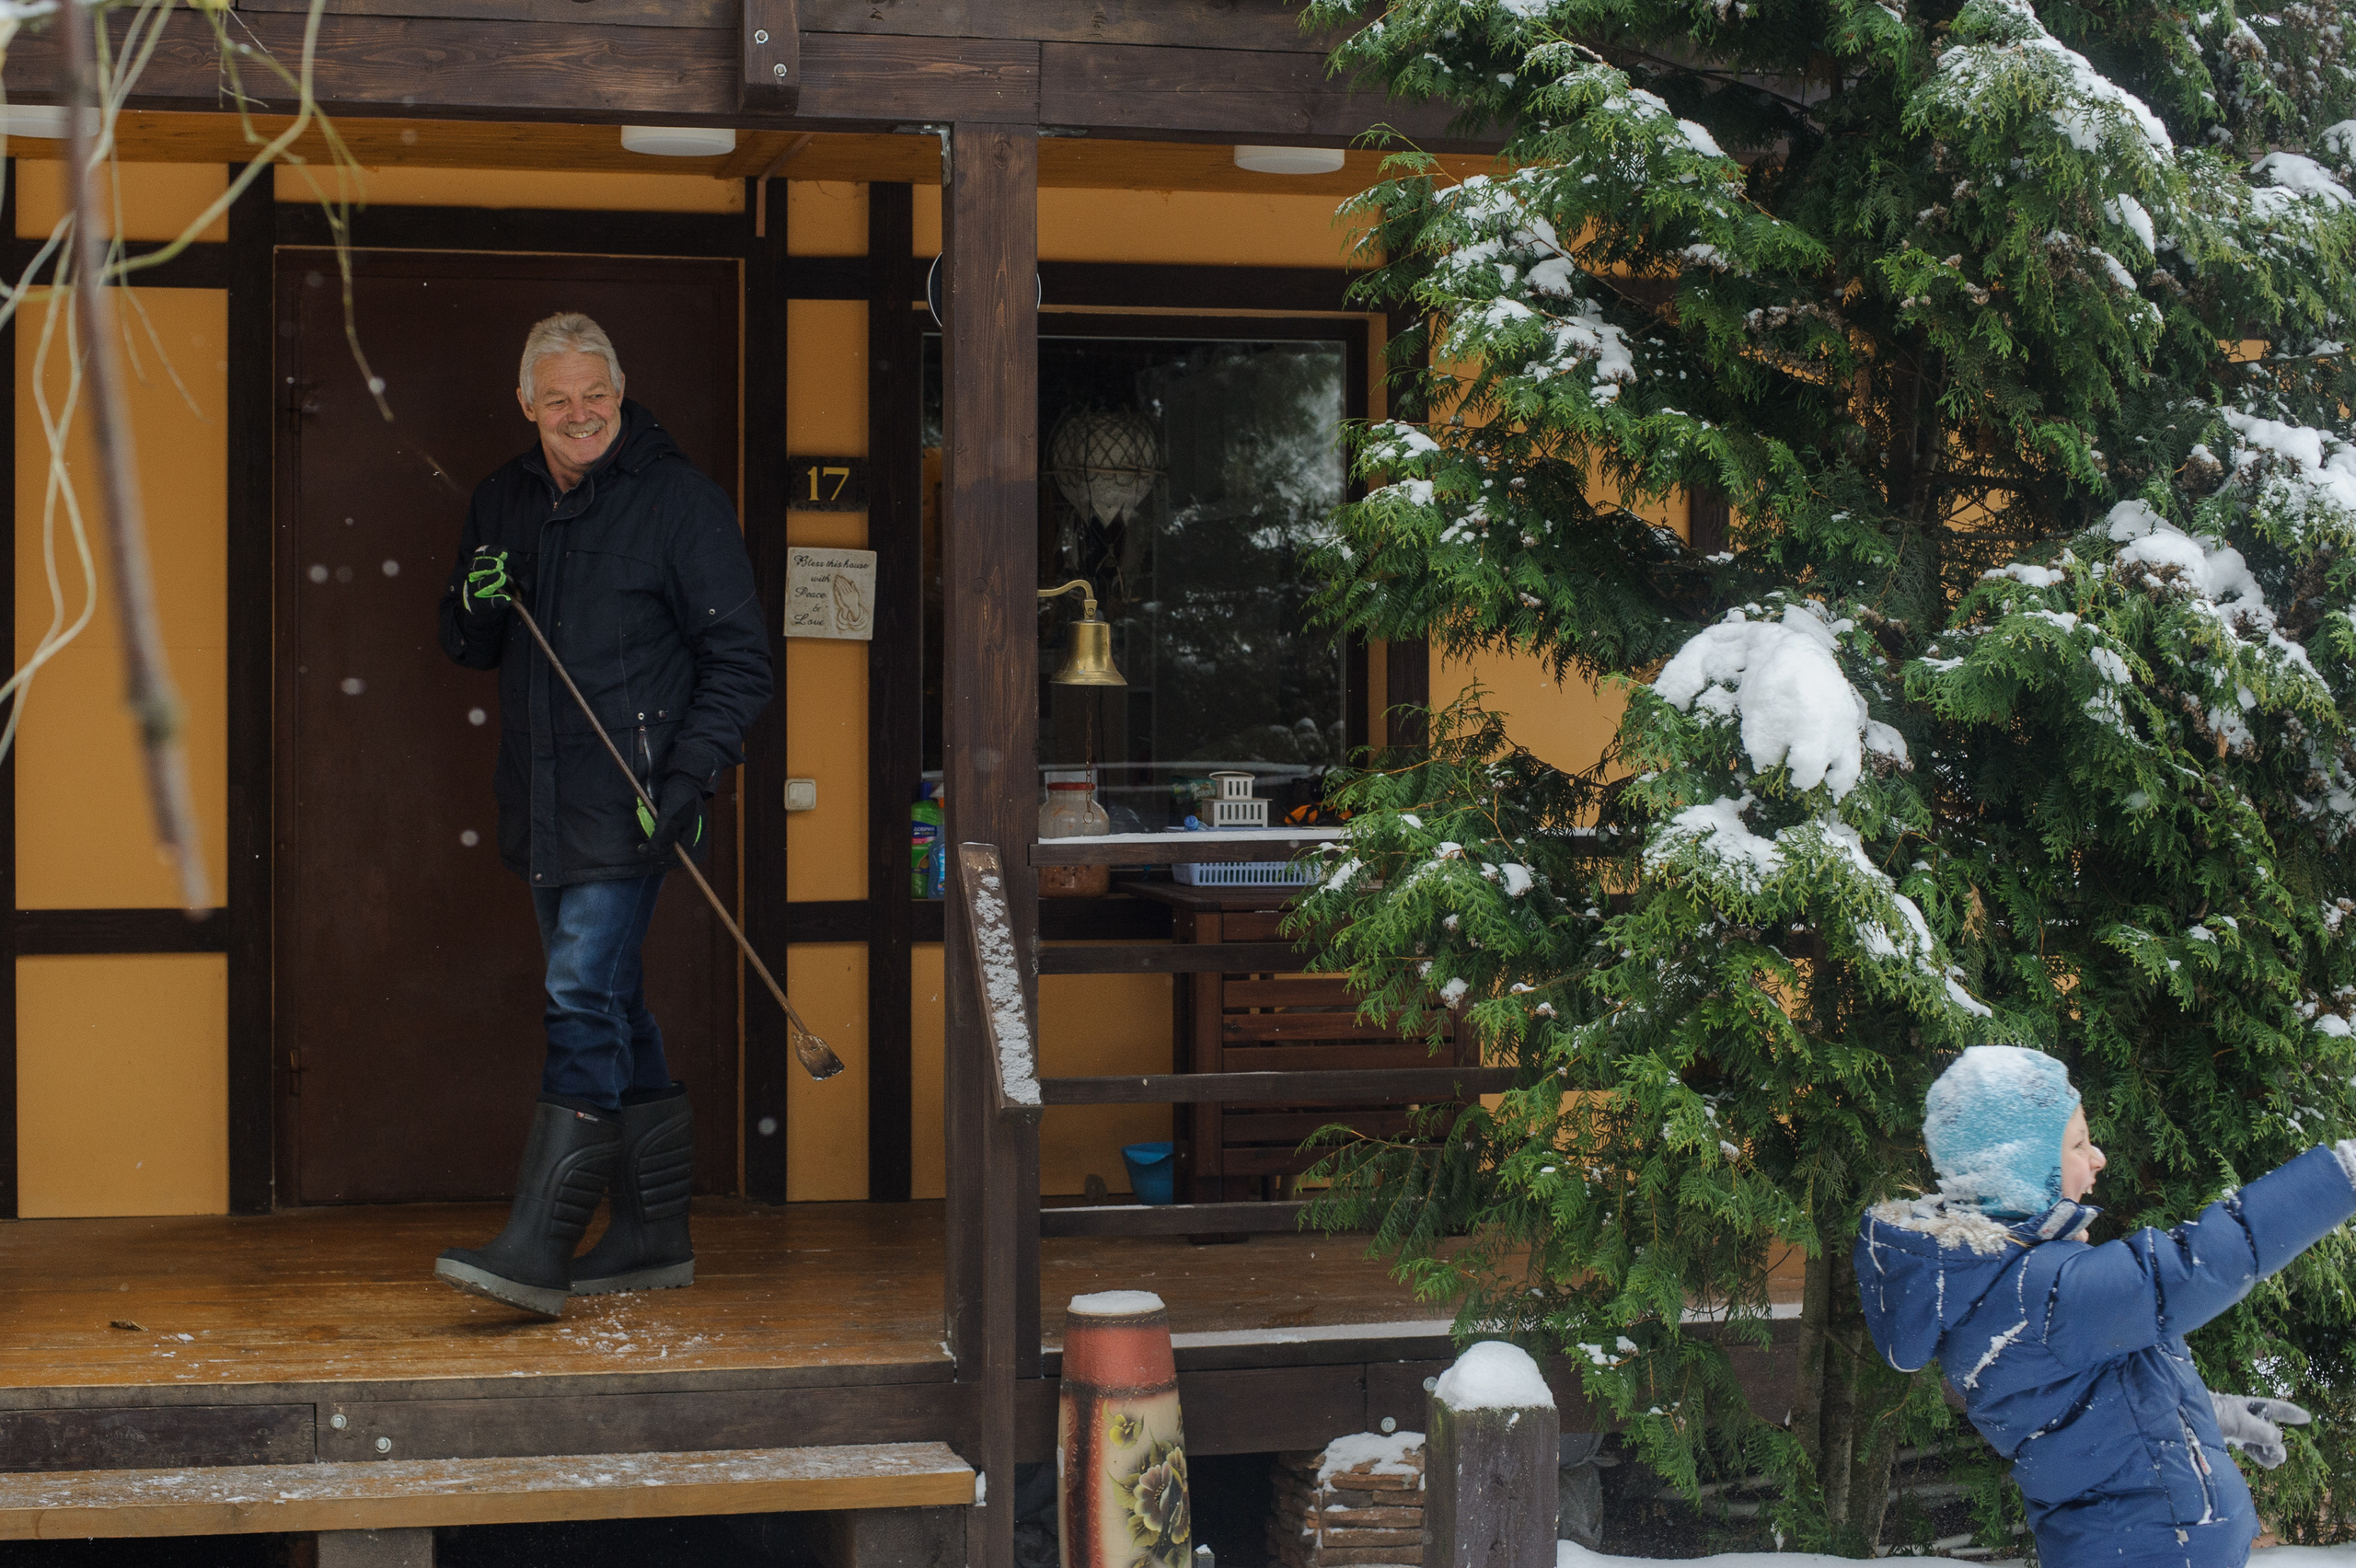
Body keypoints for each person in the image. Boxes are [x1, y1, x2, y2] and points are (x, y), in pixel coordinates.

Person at [431, 312, 771, 1319]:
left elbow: (739, 661)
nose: (580, 415)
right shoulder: (503, 499)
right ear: (527, 404)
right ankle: (654, 1233)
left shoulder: (678, 503)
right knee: (613, 1003)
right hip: (541, 805)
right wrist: (479, 599)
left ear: (620, 397)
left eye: (597, 396)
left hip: (633, 803)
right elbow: (464, 640)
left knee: (580, 993)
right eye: (559, 399)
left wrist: (692, 776)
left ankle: (540, 1244)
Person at [1856, 1045, 2356, 1568]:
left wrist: (2211, 1413)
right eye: (2078, 1144)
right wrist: (2341, 1177)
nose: (2098, 1158)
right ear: (2023, 1171)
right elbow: (2198, 1266)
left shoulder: (2008, 1289)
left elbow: (2101, 1409)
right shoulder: (2042, 1290)